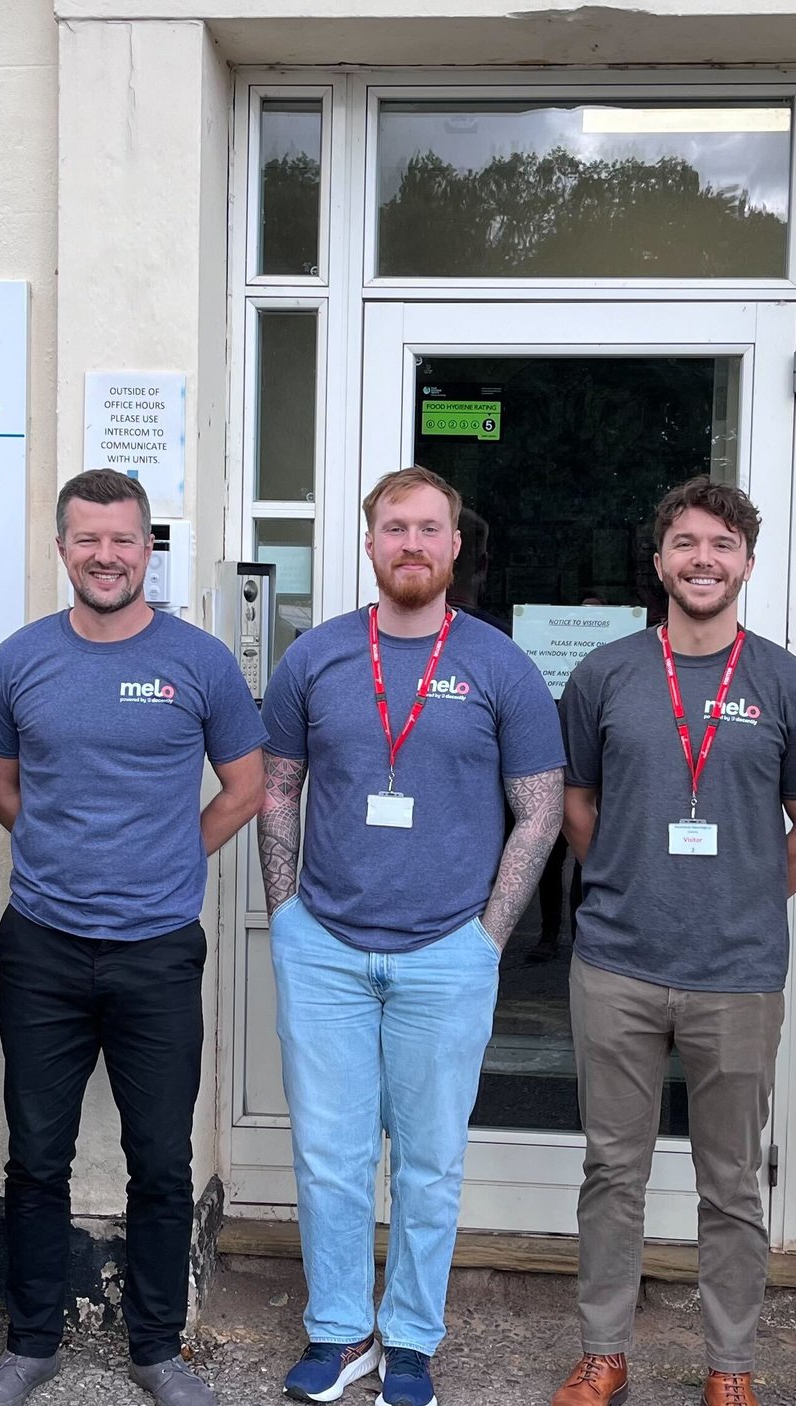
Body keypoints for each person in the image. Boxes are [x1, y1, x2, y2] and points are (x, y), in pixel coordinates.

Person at [257, 466, 567, 1406]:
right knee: (330, 1152)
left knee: (431, 1159)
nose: (413, 544)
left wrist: (486, 936)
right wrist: (285, 915)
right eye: (395, 527)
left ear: (455, 544)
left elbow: (541, 811)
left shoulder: (497, 663)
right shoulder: (315, 657)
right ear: (369, 541)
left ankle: (413, 1341)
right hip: (328, 950)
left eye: (429, 528)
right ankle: (340, 1332)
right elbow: (276, 788)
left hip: (446, 953)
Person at [0, 470, 265, 1406]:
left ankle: (156, 1348)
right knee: (35, 1155)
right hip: (45, 945)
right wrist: (67, 853)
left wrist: (174, 853)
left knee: (162, 1160)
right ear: (63, 549)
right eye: (87, 540)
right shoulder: (20, 660)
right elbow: (2, 786)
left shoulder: (201, 661)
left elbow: (247, 786)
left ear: (148, 550)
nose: (105, 556)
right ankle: (31, 1344)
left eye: (123, 540)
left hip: (158, 950)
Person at [549, 480, 796, 1406]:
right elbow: (578, 806)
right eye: (685, 543)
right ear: (660, 561)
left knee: (731, 1182)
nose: (702, 559)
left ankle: (730, 1367)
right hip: (618, 965)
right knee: (612, 1171)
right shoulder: (608, 674)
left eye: (721, 543)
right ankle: (605, 1353)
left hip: (738, 975)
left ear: (748, 561)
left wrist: (738, 898)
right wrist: (632, 886)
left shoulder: (789, 685)